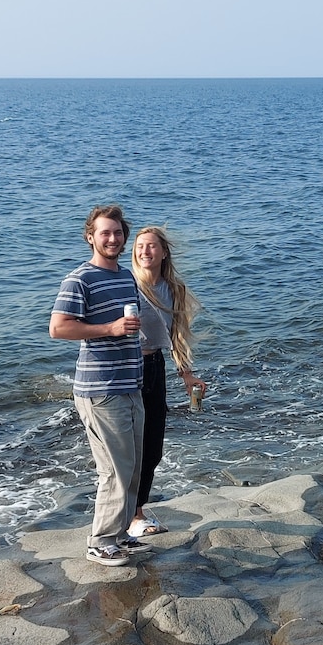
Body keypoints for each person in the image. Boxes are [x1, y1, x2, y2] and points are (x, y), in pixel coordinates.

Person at [50, 204, 147, 566]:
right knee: (115, 468)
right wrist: (109, 329)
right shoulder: (79, 279)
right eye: (105, 232)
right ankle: (100, 541)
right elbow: (58, 327)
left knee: (133, 464)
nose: (113, 238)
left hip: (130, 383)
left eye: (118, 233)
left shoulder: (125, 276)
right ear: (90, 236)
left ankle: (120, 534)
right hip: (100, 388)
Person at [129, 225, 206, 538]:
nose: (144, 251)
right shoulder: (126, 283)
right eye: (139, 246)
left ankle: (134, 509)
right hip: (126, 369)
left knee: (153, 447)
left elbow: (177, 336)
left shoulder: (175, 289)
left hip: (155, 366)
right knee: (129, 445)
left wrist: (186, 374)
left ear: (163, 252)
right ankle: (133, 515)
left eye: (151, 246)